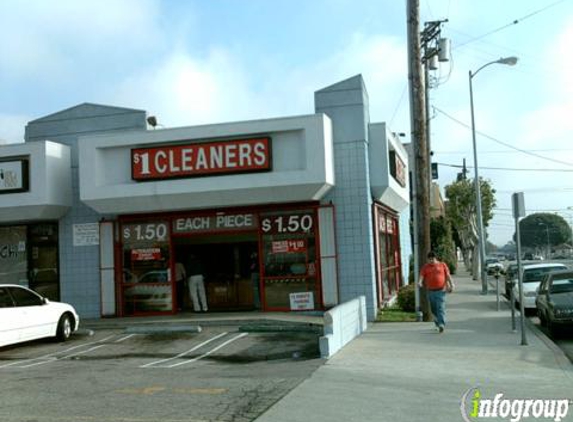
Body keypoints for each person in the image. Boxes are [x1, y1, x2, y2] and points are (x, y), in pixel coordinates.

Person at [418, 251, 454, 333]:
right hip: (431, 291)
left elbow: (448, 275)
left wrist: (452, 284)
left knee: (440, 307)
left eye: (432, 259)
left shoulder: (442, 265)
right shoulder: (425, 267)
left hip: (441, 290)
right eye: (429, 259)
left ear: (435, 258)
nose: (431, 261)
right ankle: (437, 323)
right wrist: (420, 282)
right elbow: (422, 275)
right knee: (434, 309)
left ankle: (441, 324)